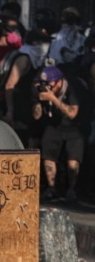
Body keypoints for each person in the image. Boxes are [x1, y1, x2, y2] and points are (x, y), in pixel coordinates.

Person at [33, 66, 84, 202]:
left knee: (73, 161)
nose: (47, 87)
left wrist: (53, 98)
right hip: (54, 125)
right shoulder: (42, 90)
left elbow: (72, 113)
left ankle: (72, 189)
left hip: (74, 127)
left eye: (50, 84)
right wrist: (38, 101)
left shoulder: (71, 88)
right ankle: (52, 188)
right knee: (48, 156)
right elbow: (36, 116)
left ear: (59, 82)